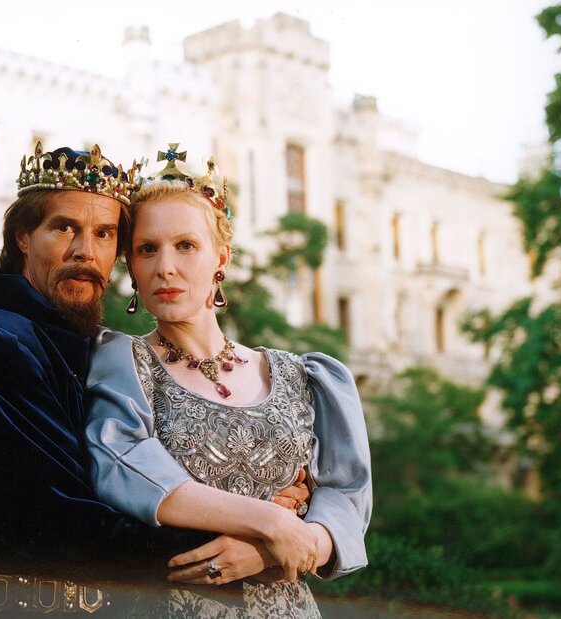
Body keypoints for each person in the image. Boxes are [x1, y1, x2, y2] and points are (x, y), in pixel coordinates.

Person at [0, 142, 309, 618]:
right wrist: (252, 542)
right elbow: (58, 521)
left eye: (104, 234)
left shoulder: (97, 351)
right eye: (64, 228)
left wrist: (267, 507)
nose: (86, 251)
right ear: (23, 236)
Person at [85, 145, 372, 618]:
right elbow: (124, 469)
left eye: (186, 245)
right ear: (131, 268)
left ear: (221, 257)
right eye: (147, 249)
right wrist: (270, 521)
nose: (165, 267)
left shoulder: (303, 375)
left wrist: (272, 552)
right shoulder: (122, 363)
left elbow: (345, 499)